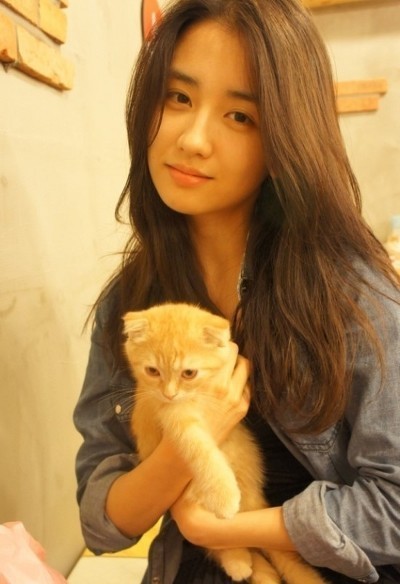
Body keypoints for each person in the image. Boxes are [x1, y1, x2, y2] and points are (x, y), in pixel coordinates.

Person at [73, 0, 400, 582]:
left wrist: (222, 529)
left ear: (286, 139)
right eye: (179, 98)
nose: (194, 139)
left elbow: (394, 508)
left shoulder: (351, 297)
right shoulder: (131, 302)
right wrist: (185, 450)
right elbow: (103, 522)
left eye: (240, 116)